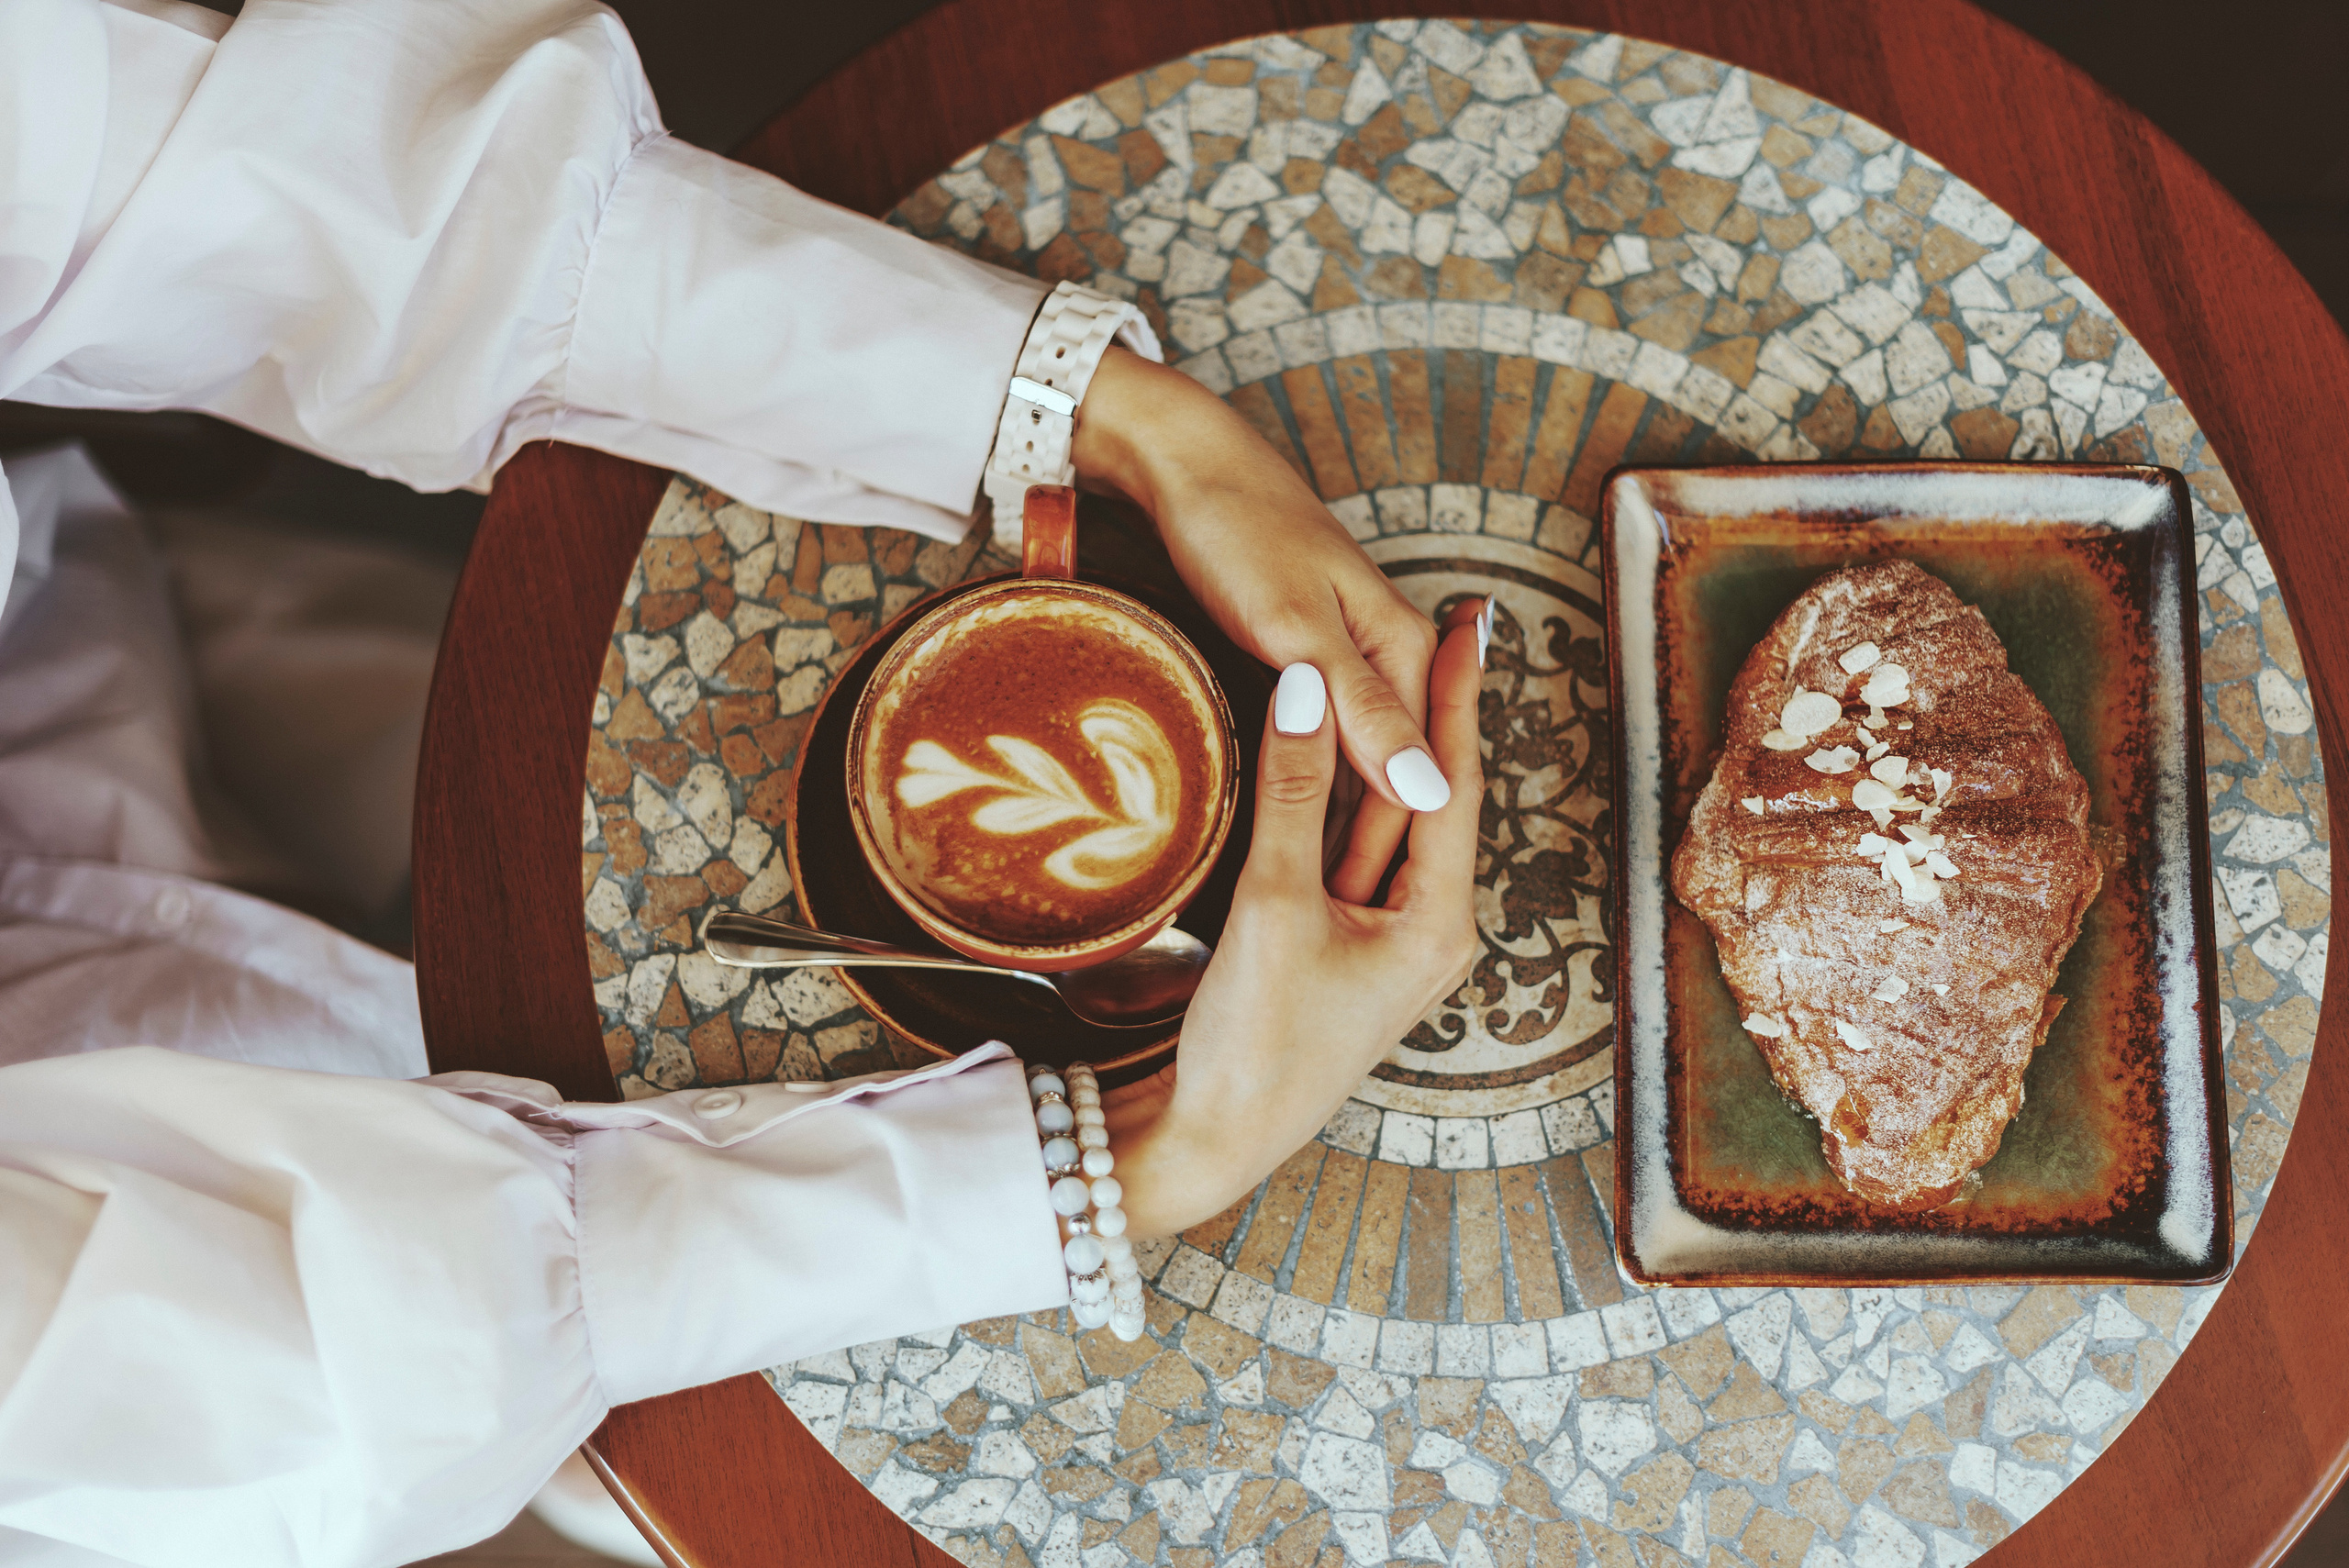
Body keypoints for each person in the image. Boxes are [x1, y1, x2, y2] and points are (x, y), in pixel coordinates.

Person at [0, 2, 1485, 1564]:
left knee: (442, 724)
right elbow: (230, 1372)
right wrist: (1124, 1165)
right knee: (600, 1419)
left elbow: (197, 184)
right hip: (290, 1363)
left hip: (69, 654)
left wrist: (1112, 423)